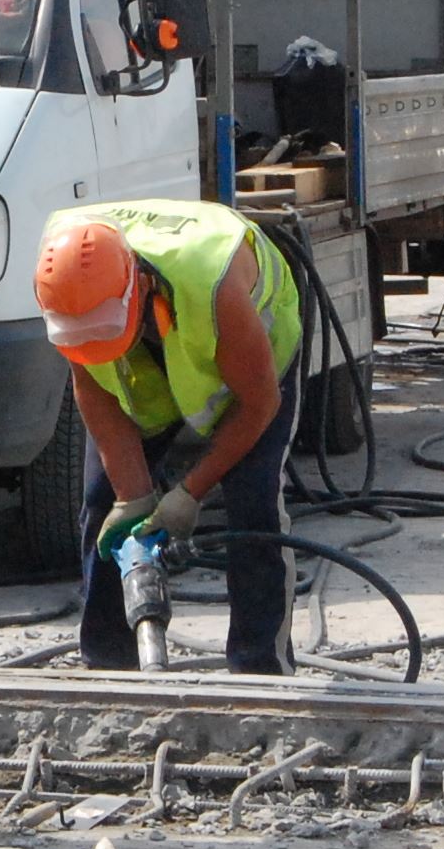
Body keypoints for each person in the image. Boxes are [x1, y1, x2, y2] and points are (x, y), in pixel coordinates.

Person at [34, 199, 303, 675]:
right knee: (104, 507)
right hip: (150, 357)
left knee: (254, 500)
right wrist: (132, 496)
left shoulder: (216, 284)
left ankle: (262, 670)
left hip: (252, 366)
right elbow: (92, 386)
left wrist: (189, 493)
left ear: (137, 286)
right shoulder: (66, 280)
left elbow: (260, 404)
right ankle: (110, 666)